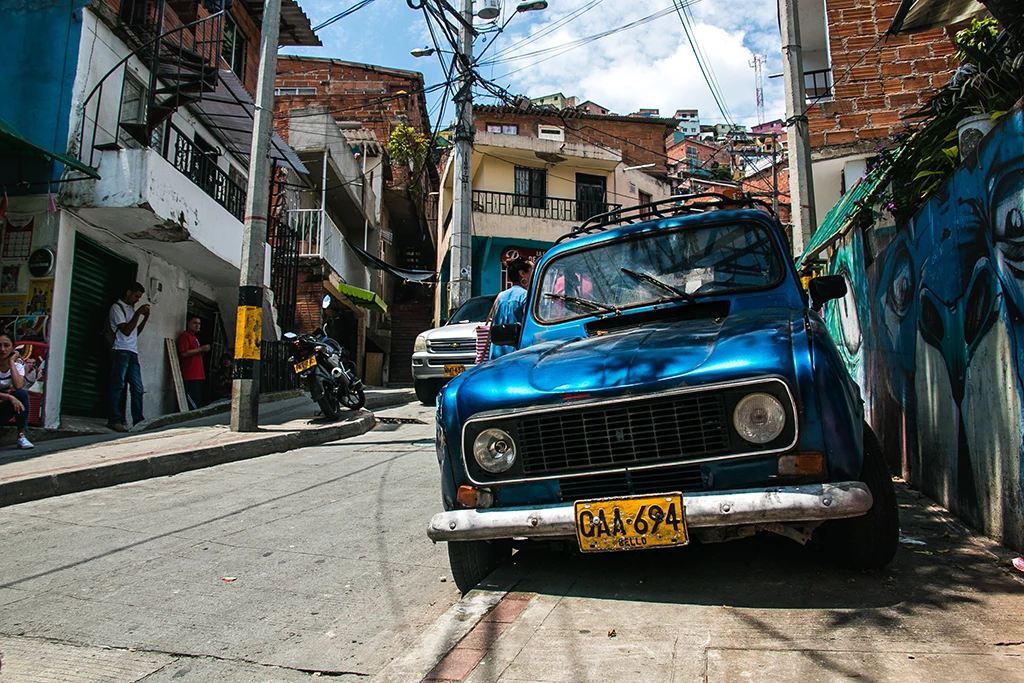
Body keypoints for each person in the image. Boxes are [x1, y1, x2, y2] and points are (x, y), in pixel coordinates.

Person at [107, 282, 150, 432]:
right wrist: (138, 313)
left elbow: (134, 333)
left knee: (138, 389)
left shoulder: (131, 309)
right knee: (118, 385)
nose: (137, 300)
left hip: (132, 351)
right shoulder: (116, 308)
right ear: (128, 292)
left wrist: (144, 318)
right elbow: (125, 331)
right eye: (136, 296)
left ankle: (139, 421)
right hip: (120, 350)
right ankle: (114, 419)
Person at [488, 258, 534, 360]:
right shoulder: (526, 296)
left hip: (497, 355)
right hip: (517, 356)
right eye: (532, 271)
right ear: (522, 273)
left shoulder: (501, 296)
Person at [0, 333, 33, 449]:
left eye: (6, 345)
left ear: (13, 349)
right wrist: (9, 397)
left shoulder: (17, 365)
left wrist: (11, 363)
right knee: (15, 396)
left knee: (21, 394)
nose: (2, 349)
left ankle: (21, 436)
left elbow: (18, 385)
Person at [177, 315, 210, 410]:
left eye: (199, 323)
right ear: (188, 323)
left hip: (198, 373)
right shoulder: (185, 336)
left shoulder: (195, 338)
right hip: (190, 373)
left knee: (198, 399)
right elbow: (184, 353)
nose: (197, 326)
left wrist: (201, 351)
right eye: (194, 323)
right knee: (191, 400)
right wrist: (200, 349)